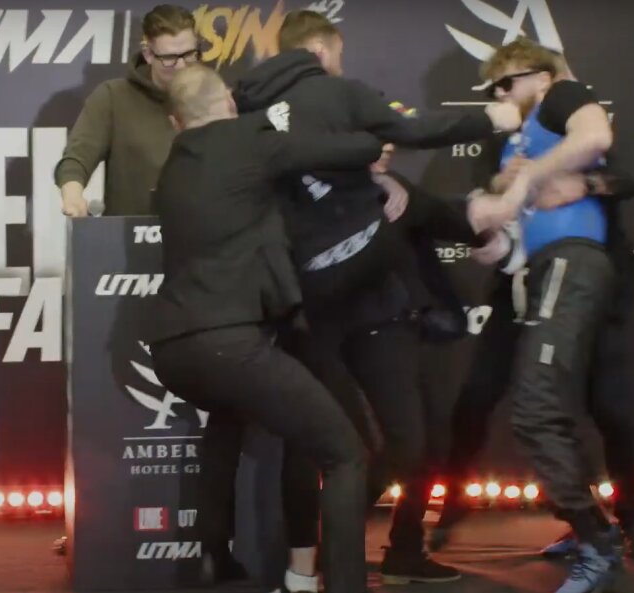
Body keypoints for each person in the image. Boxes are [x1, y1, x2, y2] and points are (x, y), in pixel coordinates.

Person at [233, 10, 521, 589]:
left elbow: (453, 217)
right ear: (321, 53)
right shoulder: (274, 128)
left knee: (407, 444)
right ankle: (304, 566)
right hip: (310, 318)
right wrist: (497, 117)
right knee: (325, 448)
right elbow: (409, 130)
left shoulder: (389, 185)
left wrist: (498, 235)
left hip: (376, 317)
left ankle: (375, 549)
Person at [143, 64, 385, 593]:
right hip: (229, 342)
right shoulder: (247, 140)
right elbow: (355, 148)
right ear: (230, 106)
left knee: (225, 418)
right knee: (344, 455)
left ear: (175, 121)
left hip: (172, 350)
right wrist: (377, 136)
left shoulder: (175, 169)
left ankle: (212, 554)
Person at [432, 49, 634, 565]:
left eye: (505, 83)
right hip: (519, 281)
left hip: (581, 279)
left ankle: (633, 522)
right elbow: (490, 197)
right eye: (491, 88)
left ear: (541, 78)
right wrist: (502, 186)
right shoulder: (504, 136)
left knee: (609, 407)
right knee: (480, 396)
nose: (498, 95)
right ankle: (456, 509)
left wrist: (580, 182)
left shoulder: (565, 114)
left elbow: (630, 173)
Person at [54, 4, 200, 216]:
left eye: (189, 55)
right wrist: (73, 197)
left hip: (203, 233)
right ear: (148, 54)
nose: (181, 66)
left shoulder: (213, 97)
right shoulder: (113, 97)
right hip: (132, 233)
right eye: (169, 58)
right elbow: (76, 159)